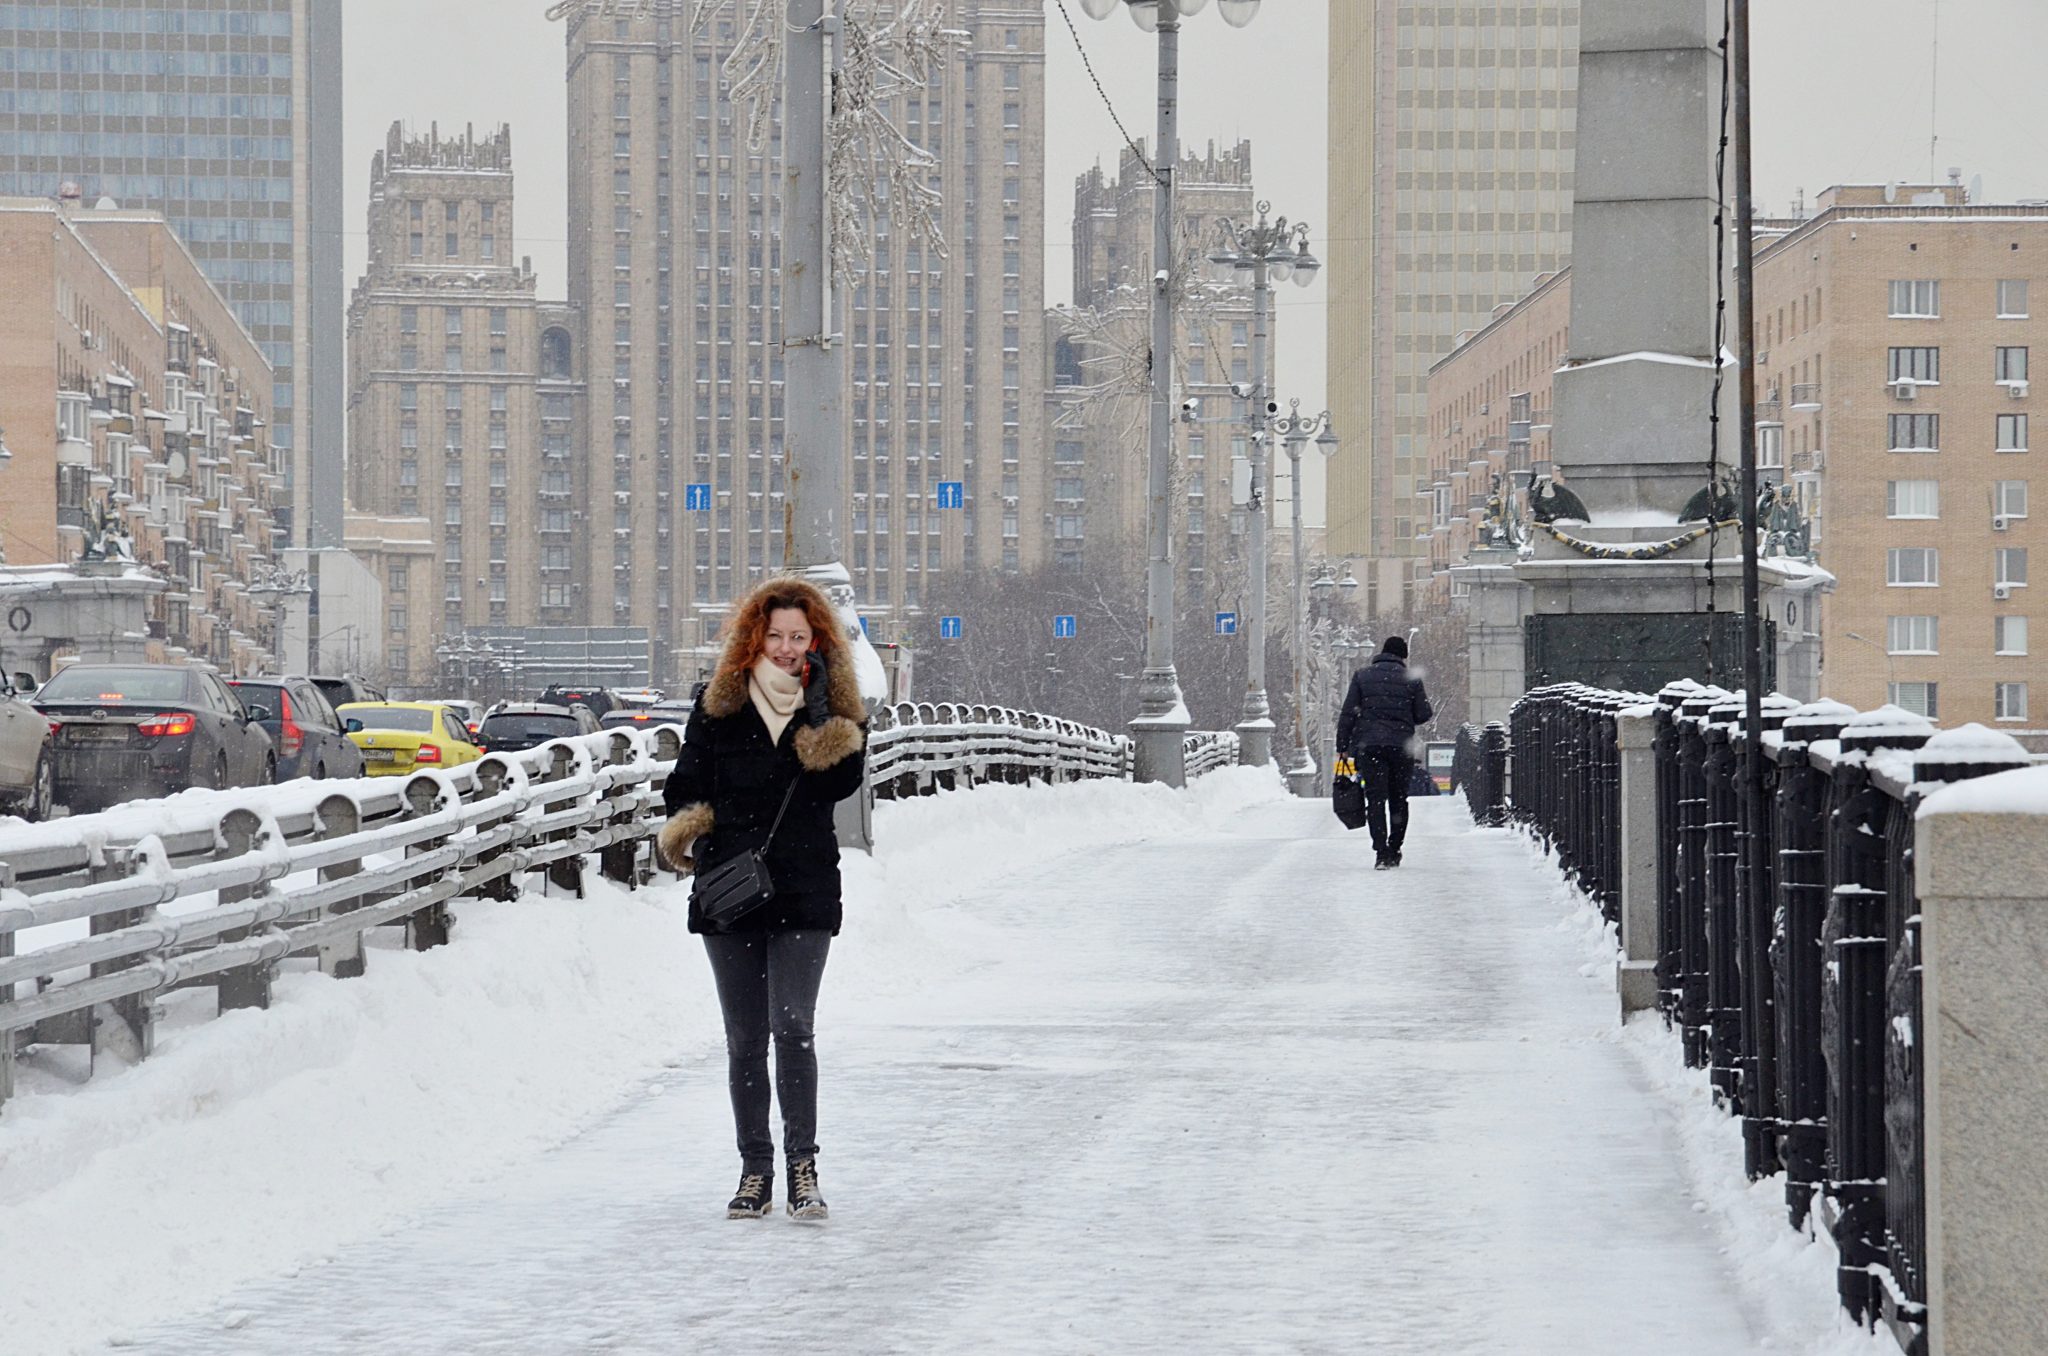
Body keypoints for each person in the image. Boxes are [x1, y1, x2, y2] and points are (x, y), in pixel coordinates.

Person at [657, 575, 868, 1222]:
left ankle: (804, 1167)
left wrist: (823, 712)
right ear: (755, 637)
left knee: (793, 1028)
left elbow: (842, 785)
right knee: (745, 1038)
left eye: (797, 637)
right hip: (734, 889)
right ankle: (755, 1171)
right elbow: (683, 784)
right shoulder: (717, 706)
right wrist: (698, 832)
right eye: (774, 635)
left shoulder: (833, 705)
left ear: (816, 641)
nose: (783, 647)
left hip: (804, 885)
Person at [1334, 635, 1434, 870]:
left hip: (1370, 748)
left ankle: (1381, 853)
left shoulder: (1362, 676)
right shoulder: (1411, 679)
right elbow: (1423, 714)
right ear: (1403, 656)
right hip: (1401, 747)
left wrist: (1342, 747)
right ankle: (1395, 847)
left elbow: (1348, 713)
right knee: (1399, 799)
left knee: (1375, 799)